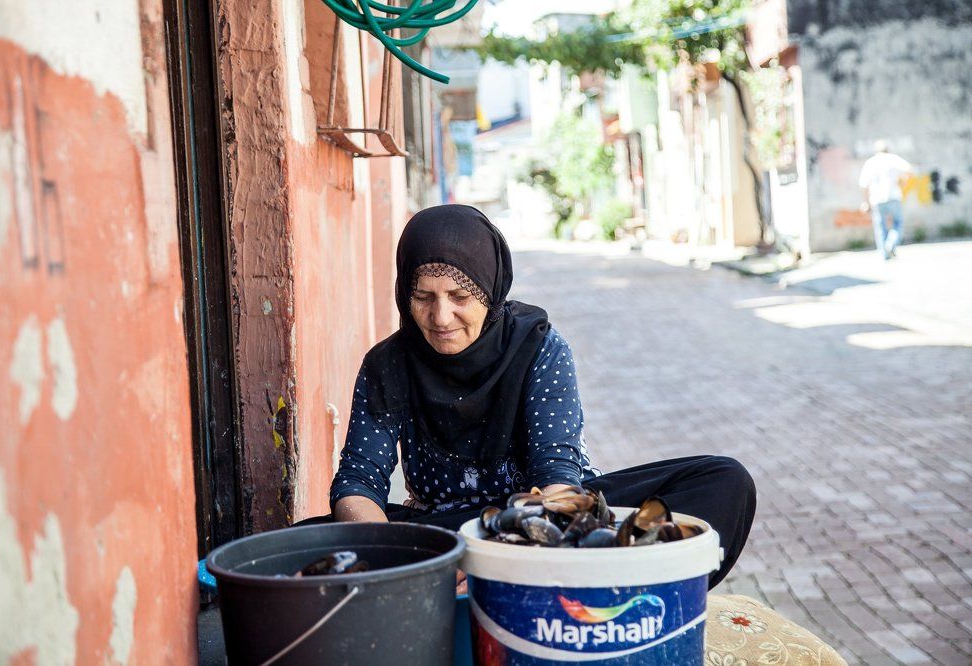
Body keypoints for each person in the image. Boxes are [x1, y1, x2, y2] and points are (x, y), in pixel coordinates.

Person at [308, 204, 755, 589]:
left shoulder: (537, 347)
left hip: (547, 518)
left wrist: (510, 548)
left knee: (724, 481)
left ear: (490, 290)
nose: (439, 316)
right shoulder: (387, 364)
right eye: (422, 296)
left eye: (459, 296)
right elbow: (357, 482)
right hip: (443, 533)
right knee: (300, 539)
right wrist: (401, 560)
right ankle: (577, 579)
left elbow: (557, 473)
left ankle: (572, 581)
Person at [858, 140, 914, 260]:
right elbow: (909, 169)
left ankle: (884, 253)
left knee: (880, 226)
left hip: (876, 199)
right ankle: (890, 244)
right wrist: (903, 182)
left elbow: (863, 185)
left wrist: (866, 201)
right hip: (893, 196)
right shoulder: (892, 158)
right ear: (888, 149)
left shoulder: (870, 162)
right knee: (898, 223)